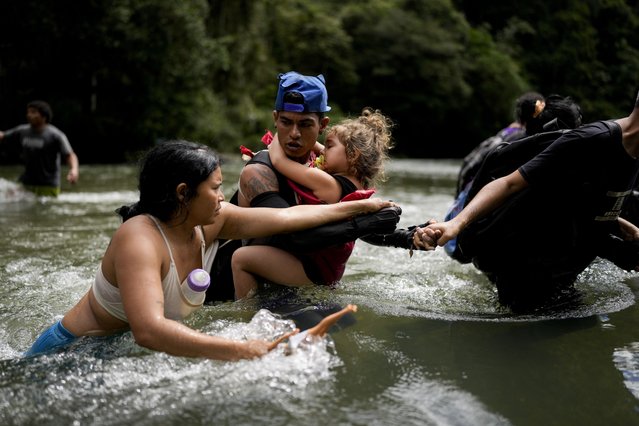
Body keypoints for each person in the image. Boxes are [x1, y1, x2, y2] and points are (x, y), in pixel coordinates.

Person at [24, 140, 394, 359]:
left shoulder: (210, 222)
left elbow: (289, 218)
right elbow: (150, 331)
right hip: (68, 354)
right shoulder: (139, 240)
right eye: (215, 188)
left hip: (120, 352)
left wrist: (358, 207)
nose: (223, 196)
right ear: (184, 193)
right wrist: (241, 350)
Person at [416, 88, 639, 312]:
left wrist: (614, 221)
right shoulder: (582, 142)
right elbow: (507, 184)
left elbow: (575, 204)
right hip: (519, 260)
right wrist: (457, 223)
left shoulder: (609, 154)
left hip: (545, 263)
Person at [206, 71, 402, 302]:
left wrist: (405, 237)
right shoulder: (259, 172)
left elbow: (339, 227)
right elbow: (296, 236)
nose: (294, 134)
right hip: (230, 289)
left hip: (290, 283)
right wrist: (364, 220)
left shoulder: (320, 168)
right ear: (275, 119)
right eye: (286, 123)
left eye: (305, 125)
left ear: (322, 125)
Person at [231, 108, 393, 299]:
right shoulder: (355, 184)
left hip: (311, 271)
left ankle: (245, 317)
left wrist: (279, 135)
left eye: (329, 146)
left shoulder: (328, 184)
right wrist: (313, 141)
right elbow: (328, 151)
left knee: (240, 258)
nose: (322, 151)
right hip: (328, 270)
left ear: (353, 155)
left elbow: (279, 161)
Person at [0, 100, 79, 196]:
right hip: (26, 182)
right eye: (28, 112)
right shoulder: (22, 131)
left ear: (44, 116)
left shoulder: (55, 135)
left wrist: (74, 169)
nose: (29, 115)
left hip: (48, 185)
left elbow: (70, 155)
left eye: (33, 112)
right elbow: (3, 136)